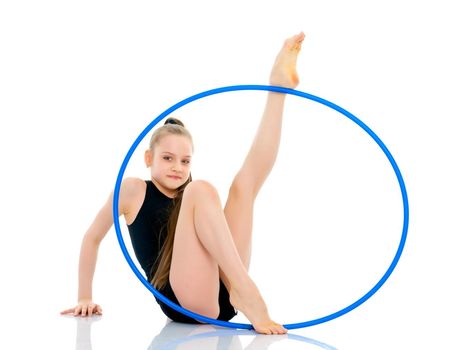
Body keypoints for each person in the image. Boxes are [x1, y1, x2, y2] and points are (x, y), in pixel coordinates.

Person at [61, 32, 305, 335]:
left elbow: (250, 178)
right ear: (149, 158)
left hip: (224, 295)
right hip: (184, 303)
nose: (178, 167)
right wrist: (85, 296)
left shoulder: (194, 200)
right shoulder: (133, 190)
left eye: (185, 161)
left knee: (243, 187)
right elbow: (92, 238)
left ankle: (277, 89)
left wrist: (276, 90)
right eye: (167, 158)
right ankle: (246, 289)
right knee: (201, 189)